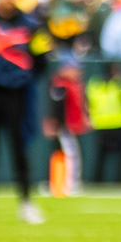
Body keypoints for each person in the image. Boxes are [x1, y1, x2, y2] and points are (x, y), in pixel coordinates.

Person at [0, 0, 43, 223]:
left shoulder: (30, 25)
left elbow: (40, 59)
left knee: (20, 148)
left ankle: (26, 202)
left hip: (17, 93)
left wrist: (24, 77)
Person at [87, 61, 121, 184]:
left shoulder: (94, 86)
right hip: (119, 124)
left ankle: (98, 182)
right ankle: (118, 183)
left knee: (102, 157)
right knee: (119, 158)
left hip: (103, 125)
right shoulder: (120, 86)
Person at [44, 56, 87, 195]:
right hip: (63, 126)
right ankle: (68, 184)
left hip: (67, 125)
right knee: (70, 155)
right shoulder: (60, 84)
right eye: (74, 69)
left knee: (66, 154)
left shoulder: (70, 84)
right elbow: (57, 106)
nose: (78, 72)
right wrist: (55, 123)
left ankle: (60, 184)